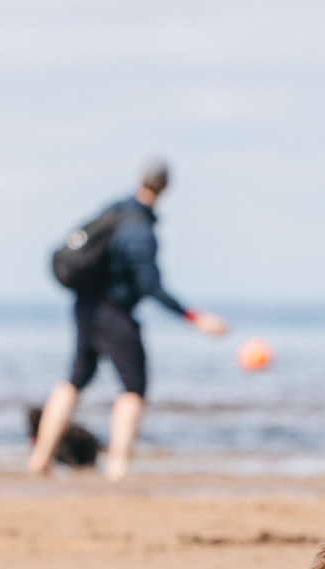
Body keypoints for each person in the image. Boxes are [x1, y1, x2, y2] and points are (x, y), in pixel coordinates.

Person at [28, 159, 227, 481]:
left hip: (85, 308)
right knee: (133, 387)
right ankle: (118, 466)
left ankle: (40, 458)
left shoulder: (115, 210)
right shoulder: (141, 231)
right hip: (114, 313)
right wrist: (195, 318)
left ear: (140, 179)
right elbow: (151, 286)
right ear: (165, 188)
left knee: (76, 377)